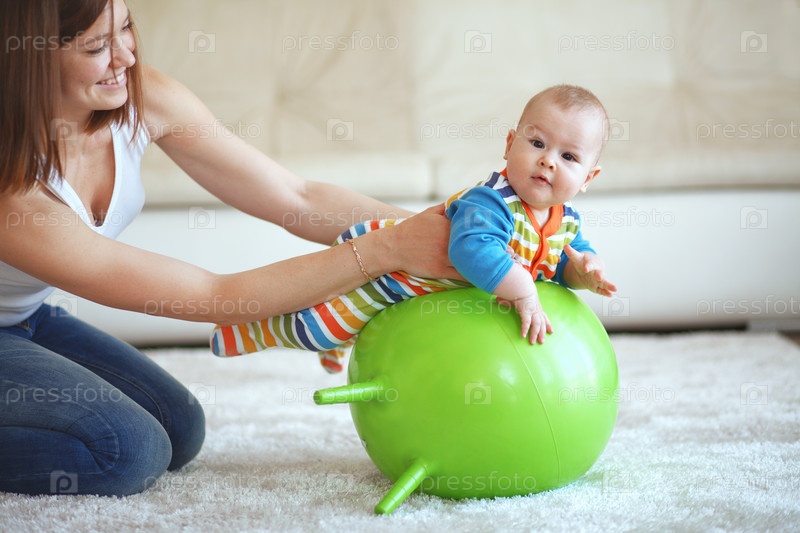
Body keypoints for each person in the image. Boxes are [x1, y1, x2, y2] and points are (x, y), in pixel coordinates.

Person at [0, 0, 459, 497]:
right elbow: (215, 297)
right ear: (28, 58)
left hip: (28, 318)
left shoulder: (141, 96)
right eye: (97, 47)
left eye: (126, 28)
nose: (126, 56)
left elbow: (295, 197)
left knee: (179, 427)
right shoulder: (14, 196)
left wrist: (449, 233)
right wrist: (386, 249)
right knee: (127, 452)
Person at [212, 84, 618, 373]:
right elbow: (472, 251)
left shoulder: (566, 219)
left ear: (588, 178)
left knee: (353, 328)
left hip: (433, 302)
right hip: (396, 278)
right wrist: (524, 291)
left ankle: (340, 343)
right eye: (537, 144)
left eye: (568, 156)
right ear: (510, 144)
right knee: (323, 327)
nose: (548, 161)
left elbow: (559, 261)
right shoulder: (491, 201)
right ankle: (256, 329)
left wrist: (582, 270)